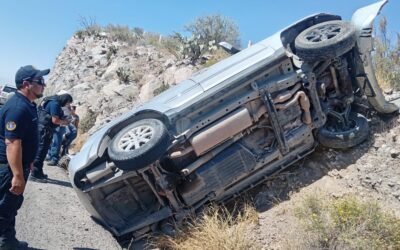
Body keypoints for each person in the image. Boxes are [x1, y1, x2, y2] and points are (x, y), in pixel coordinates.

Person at [0, 65, 49, 249]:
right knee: (4, 210)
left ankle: (8, 242)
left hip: (16, 166)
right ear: (27, 84)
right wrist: (18, 175)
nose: (44, 85)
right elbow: (13, 144)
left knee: (11, 207)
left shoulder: (28, 105)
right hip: (7, 169)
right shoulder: (18, 108)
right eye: (40, 82)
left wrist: (27, 163)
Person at [31, 93, 72, 181]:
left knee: (42, 151)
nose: (67, 105)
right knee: (41, 152)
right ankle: (34, 174)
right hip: (44, 130)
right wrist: (65, 122)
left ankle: (38, 172)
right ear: (65, 100)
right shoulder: (55, 104)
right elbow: (55, 120)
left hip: (43, 129)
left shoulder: (52, 101)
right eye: (68, 102)